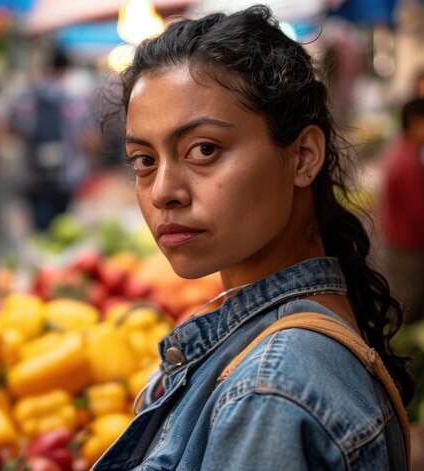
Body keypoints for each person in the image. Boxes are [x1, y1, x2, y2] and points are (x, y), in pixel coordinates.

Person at [93, 6, 412, 470]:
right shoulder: (280, 350)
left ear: (303, 156)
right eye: (144, 160)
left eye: (203, 150)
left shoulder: (269, 393)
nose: (163, 192)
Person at [6, 48, 89, 230]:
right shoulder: (72, 98)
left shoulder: (26, 96)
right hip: (65, 175)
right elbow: (85, 134)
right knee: (63, 228)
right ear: (65, 69)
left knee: (40, 229)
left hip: (33, 176)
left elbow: (10, 126)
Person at [378, 98, 424, 324]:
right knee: (409, 309)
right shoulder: (408, 162)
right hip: (407, 249)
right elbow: (418, 215)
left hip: (398, 244)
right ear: (415, 123)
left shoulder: (401, 150)